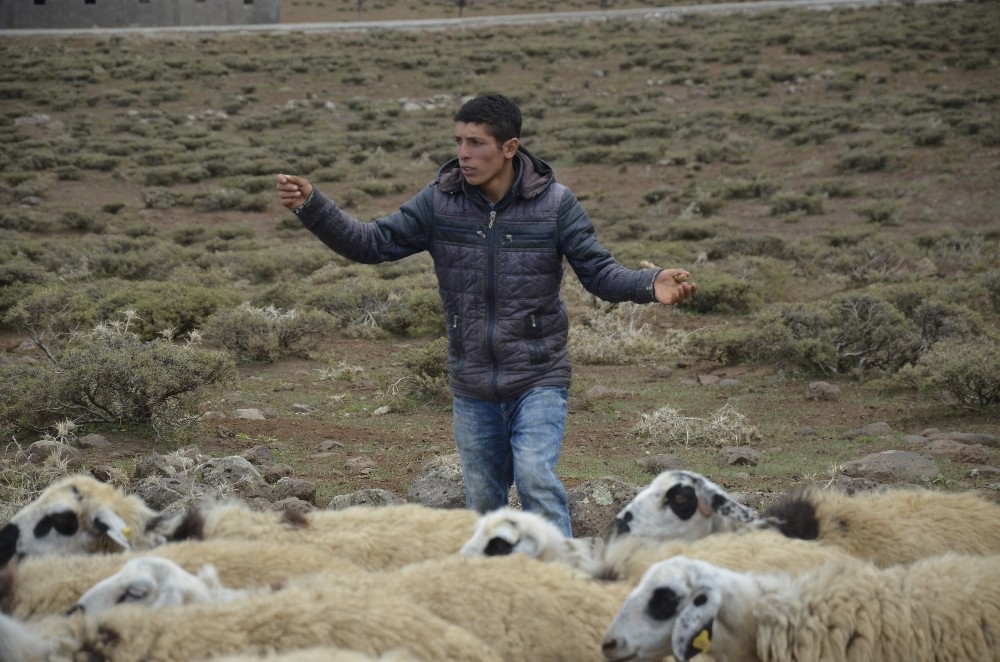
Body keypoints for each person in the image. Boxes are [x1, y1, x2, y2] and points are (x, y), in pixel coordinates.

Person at [276, 93, 695, 537]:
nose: (463, 154)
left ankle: (561, 578)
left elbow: (600, 274)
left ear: (510, 148)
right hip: (472, 379)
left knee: (535, 477)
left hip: (538, 373)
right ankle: (493, 588)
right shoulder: (440, 202)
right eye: (459, 141)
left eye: (476, 143)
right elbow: (371, 243)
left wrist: (649, 285)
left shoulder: (555, 205)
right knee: (484, 503)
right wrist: (313, 206)